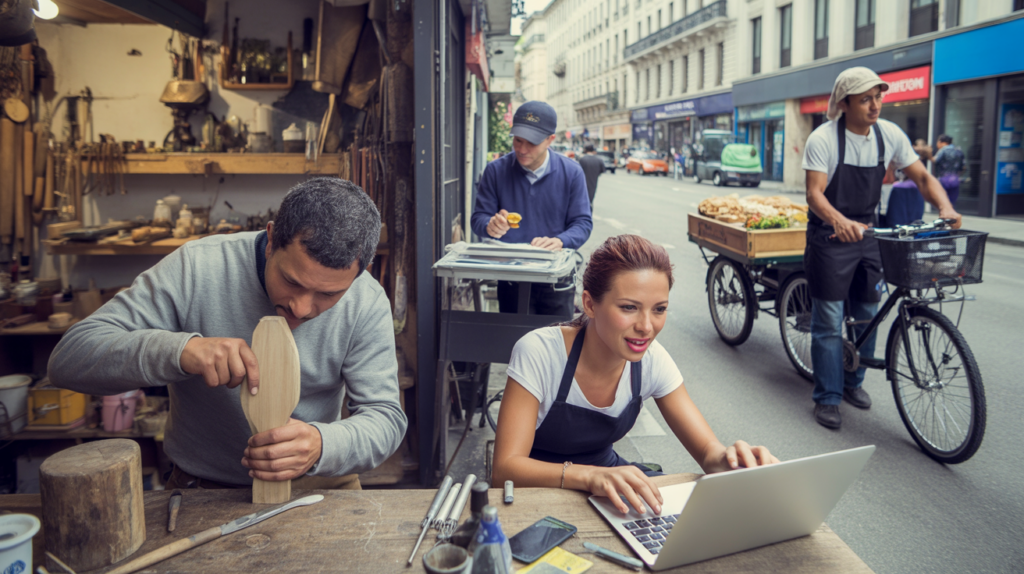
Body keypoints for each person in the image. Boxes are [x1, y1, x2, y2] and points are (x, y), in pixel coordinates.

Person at [48, 178, 408, 489]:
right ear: (270, 240)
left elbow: (385, 418)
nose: (300, 307)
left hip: (320, 480)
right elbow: (70, 358)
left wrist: (322, 444)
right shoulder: (197, 267)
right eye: (291, 281)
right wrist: (180, 351)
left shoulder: (366, 300)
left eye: (329, 294)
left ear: (362, 272)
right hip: (203, 486)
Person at [491, 235, 779, 515]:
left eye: (659, 310)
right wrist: (590, 476)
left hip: (609, 485)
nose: (646, 327)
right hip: (536, 492)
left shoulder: (653, 361)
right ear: (590, 304)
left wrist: (733, 461)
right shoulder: (540, 352)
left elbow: (708, 453)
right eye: (629, 308)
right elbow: (505, 469)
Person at [802, 67, 961, 430]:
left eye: (878, 97)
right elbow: (814, 193)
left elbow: (922, 176)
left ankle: (853, 382)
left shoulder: (888, 134)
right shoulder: (824, 138)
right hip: (830, 237)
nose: (875, 105)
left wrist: (945, 207)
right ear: (844, 104)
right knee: (828, 321)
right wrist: (839, 221)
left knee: (869, 310)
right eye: (866, 99)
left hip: (870, 233)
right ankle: (827, 396)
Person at [471, 101, 593, 316]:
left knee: (557, 343)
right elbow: (478, 219)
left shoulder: (572, 172)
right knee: (512, 341)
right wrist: (490, 226)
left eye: (532, 142)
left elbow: (582, 223)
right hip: (511, 277)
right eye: (517, 140)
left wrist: (561, 240)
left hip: (557, 278)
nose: (522, 149)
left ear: (550, 140)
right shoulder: (495, 171)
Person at [933, 134, 966, 206]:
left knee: (942, 202)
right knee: (952, 202)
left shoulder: (942, 150)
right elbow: (963, 167)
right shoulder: (959, 151)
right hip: (955, 180)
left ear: (941, 142)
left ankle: (944, 216)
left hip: (943, 180)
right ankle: (950, 216)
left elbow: (935, 160)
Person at [577, 143, 605, 208]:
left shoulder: (582, 159)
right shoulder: (599, 160)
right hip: (593, 180)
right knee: (591, 197)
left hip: (582, 181)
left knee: (582, 198)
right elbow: (602, 170)